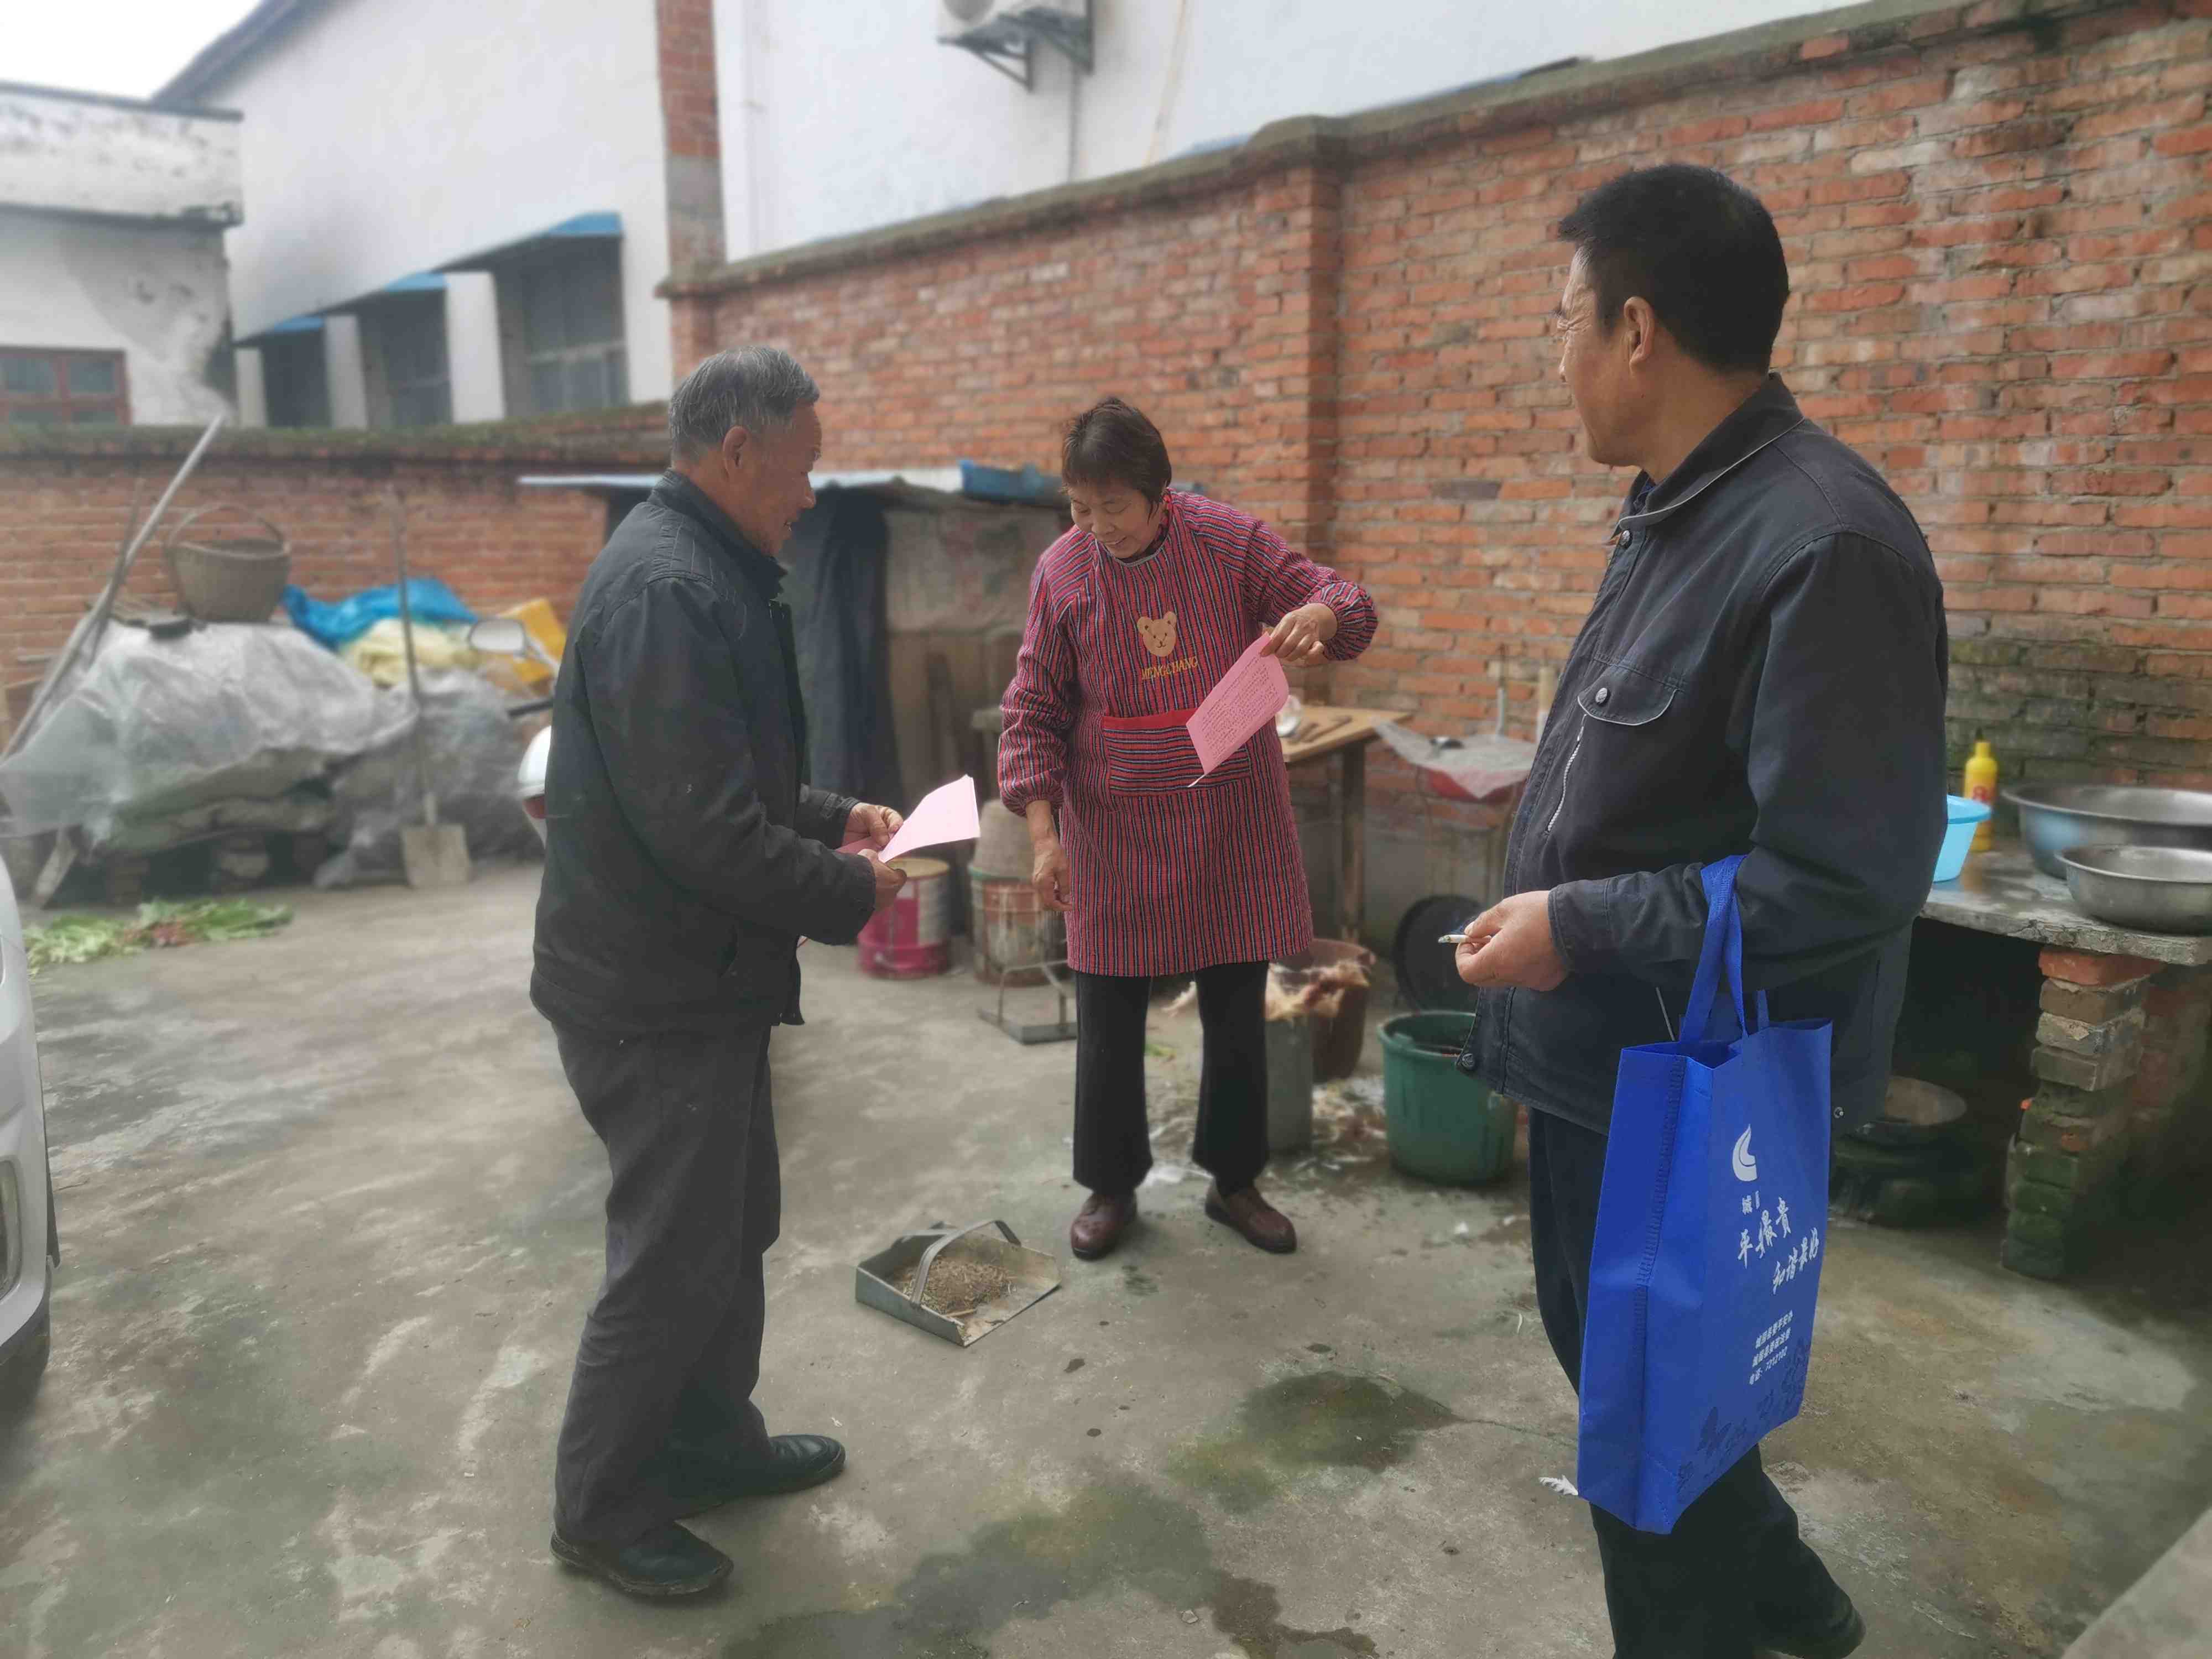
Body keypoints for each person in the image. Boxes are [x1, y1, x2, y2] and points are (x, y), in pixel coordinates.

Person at [1455, 165, 1945, 1658]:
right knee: (1629, 1366)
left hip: (1681, 1081)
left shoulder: (1825, 544)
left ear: (1637, 330)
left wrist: (1581, 922)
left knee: (1646, 1422)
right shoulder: (1678, 509)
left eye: (1564, 321)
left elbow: (1842, 879)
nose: (1557, 357)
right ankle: (1798, 1604)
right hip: (1599, 1059)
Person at [530, 346, 909, 1599]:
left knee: (729, 1229)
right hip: (650, 997)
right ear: (738, 452)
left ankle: (704, 1444)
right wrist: (850, 889)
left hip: (702, 982)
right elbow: (700, 829)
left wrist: (833, 815)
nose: (809, 495)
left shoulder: (710, 570)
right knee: (669, 1256)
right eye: (801, 467)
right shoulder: (664, 588)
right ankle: (599, 1511)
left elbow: (726, 776)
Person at [999, 398, 1379, 1263]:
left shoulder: (1227, 542)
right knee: (1108, 1013)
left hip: (1227, 818)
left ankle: (1234, 1182)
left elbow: (1344, 600)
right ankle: (1110, 1184)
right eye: (1079, 507)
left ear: (1160, 493)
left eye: (1115, 508)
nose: (1098, 527)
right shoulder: (1062, 573)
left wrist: (1321, 617)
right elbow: (1033, 709)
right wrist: (1045, 836)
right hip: (1111, 826)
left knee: (1236, 1007)